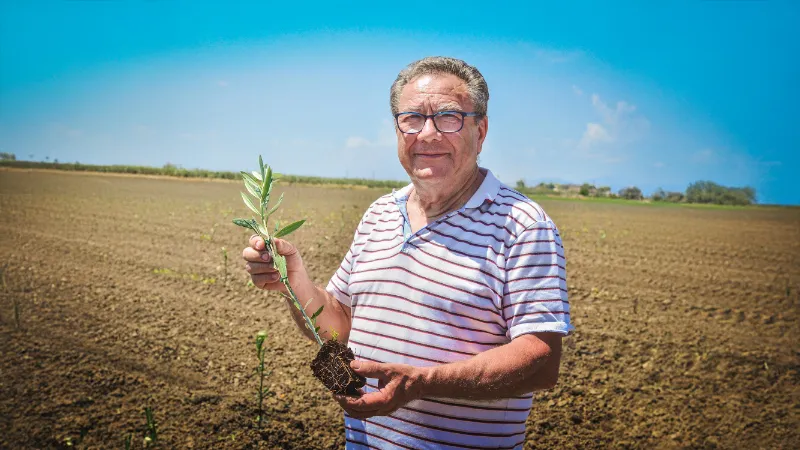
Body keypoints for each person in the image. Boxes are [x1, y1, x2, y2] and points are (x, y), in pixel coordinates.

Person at [242, 56, 572, 449]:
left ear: (480, 131)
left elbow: (541, 361)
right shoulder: (380, 212)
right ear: (397, 130)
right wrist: (295, 285)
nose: (427, 134)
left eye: (449, 117)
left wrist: (420, 383)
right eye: (412, 118)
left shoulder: (522, 225)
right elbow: (340, 326)